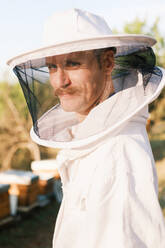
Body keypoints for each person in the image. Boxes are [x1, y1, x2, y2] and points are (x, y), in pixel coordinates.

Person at [7, 8, 165, 248]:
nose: (60, 82)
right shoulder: (96, 139)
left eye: (72, 64)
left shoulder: (118, 154)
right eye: (51, 67)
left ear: (108, 63)